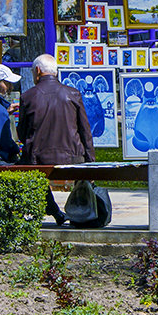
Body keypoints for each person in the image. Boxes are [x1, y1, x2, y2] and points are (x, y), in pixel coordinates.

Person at [17, 54, 96, 224]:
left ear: (37, 71)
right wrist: (90, 162)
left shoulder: (27, 97)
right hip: (74, 159)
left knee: (28, 171)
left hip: (38, 160)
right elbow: (85, 132)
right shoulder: (73, 94)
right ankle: (80, 215)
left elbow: (22, 134)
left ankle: (53, 210)